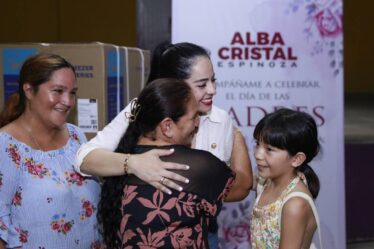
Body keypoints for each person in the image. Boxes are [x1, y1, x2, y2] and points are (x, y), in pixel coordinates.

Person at [75, 42, 253, 248]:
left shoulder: (220, 119)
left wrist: (236, 135)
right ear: (174, 85)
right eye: (202, 84)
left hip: (201, 232)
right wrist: (132, 163)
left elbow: (234, 187)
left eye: (213, 81)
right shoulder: (141, 108)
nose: (212, 90)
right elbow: (84, 158)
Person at [99, 78, 236, 248]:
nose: (197, 122)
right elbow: (244, 185)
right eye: (193, 117)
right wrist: (234, 131)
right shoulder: (201, 167)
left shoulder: (115, 162)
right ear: (167, 127)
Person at [0, 54, 103, 248]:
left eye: (72, 93)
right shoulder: (5, 146)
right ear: (29, 90)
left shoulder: (75, 137)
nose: (67, 101)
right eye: (58, 91)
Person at [250, 108, 321, 249]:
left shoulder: (295, 205)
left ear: (296, 159)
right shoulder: (267, 181)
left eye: (269, 149)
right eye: (257, 144)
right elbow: (240, 181)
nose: (258, 154)